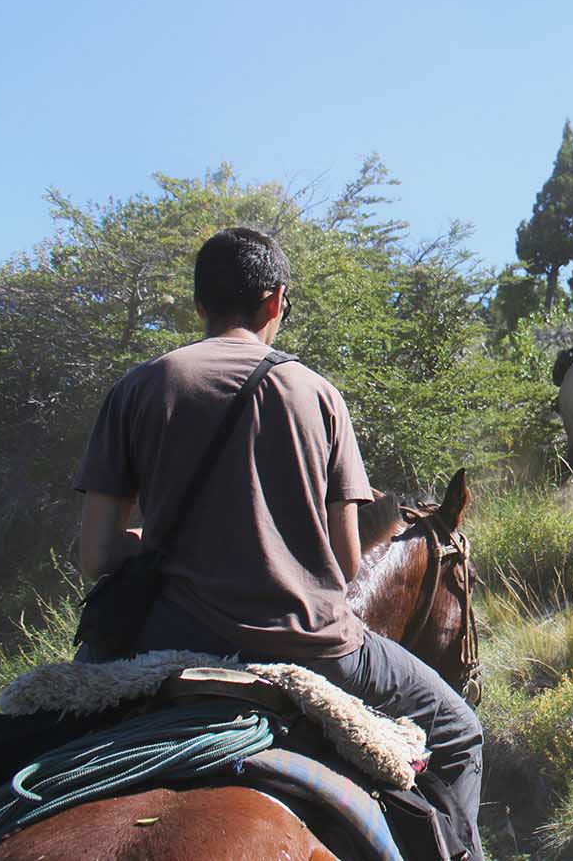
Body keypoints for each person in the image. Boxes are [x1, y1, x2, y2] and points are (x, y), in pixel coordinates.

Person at [73, 227, 484, 860]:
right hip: (312, 645)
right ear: (275, 300)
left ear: (200, 304)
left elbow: (95, 557)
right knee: (458, 732)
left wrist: (143, 542)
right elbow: (348, 567)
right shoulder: (318, 394)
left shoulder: (139, 386)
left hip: (162, 637)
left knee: (38, 723)